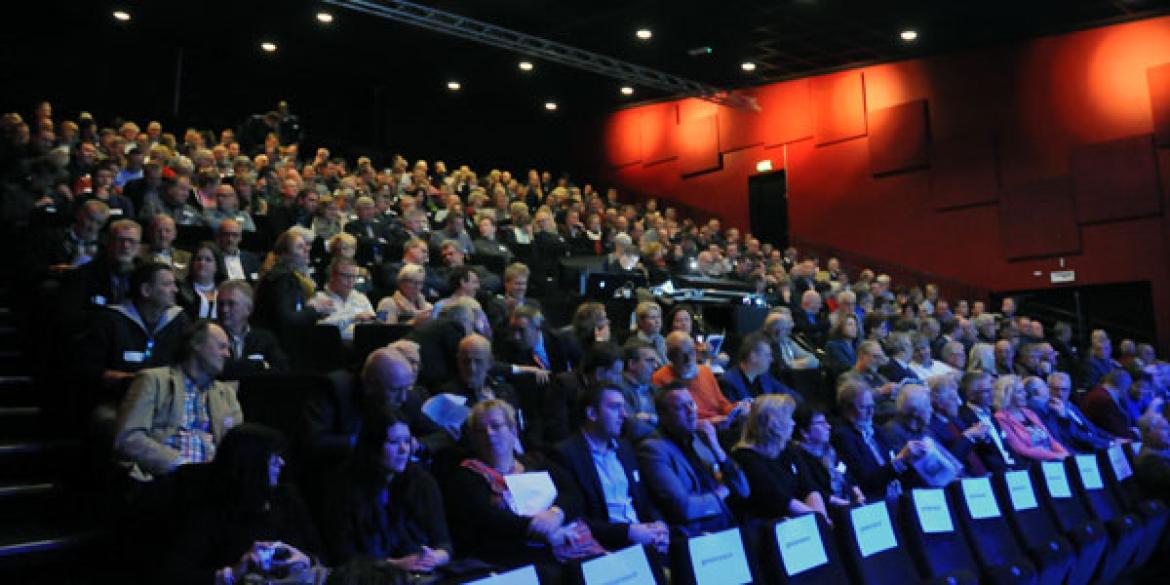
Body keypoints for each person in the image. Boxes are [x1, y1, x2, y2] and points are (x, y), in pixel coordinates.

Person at [445, 400, 600, 580]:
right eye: (480, 430)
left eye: (496, 426)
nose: (489, 434)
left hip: (565, 539)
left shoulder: (536, 461)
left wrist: (555, 515)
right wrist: (542, 531)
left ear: (513, 431)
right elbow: (489, 520)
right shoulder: (467, 475)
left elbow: (573, 495)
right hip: (515, 554)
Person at [164, 424, 322, 585]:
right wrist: (233, 572)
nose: (281, 463)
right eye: (273, 457)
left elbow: (318, 551)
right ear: (252, 463)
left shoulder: (286, 499)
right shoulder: (213, 512)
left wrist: (305, 559)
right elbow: (175, 575)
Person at [323, 407, 453, 572]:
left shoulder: (421, 481)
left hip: (422, 574)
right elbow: (343, 557)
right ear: (373, 447)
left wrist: (433, 558)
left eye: (406, 441)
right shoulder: (343, 487)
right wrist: (396, 564)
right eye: (394, 442)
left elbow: (444, 544)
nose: (404, 450)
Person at [114, 320, 242, 480]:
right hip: (165, 478)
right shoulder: (153, 380)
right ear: (196, 345)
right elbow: (128, 439)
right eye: (221, 347)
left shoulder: (227, 395)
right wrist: (181, 465)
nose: (227, 354)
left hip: (211, 482)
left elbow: (236, 449)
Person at [550, 385, 670, 555]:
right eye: (615, 407)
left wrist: (659, 525)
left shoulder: (625, 448)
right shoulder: (565, 455)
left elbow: (644, 499)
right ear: (592, 414)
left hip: (643, 539)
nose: (624, 415)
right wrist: (628, 532)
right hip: (607, 549)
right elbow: (577, 517)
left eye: (623, 407)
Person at [637, 385, 750, 535]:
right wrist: (722, 492)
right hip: (696, 534)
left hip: (727, 523)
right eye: (680, 408)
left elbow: (743, 489)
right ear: (663, 415)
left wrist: (716, 448)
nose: (691, 412)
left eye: (691, 404)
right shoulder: (653, 449)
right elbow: (685, 508)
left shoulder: (700, 438)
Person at [731, 395, 827, 521]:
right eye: (788, 418)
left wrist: (822, 518)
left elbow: (808, 487)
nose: (793, 423)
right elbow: (778, 499)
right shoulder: (745, 457)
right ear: (773, 424)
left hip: (803, 520)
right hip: (773, 527)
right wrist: (817, 519)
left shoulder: (787, 449)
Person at [830, 377, 920, 500]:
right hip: (874, 500)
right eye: (863, 407)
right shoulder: (842, 436)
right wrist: (900, 460)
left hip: (897, 493)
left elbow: (892, 459)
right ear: (847, 409)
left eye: (872, 406)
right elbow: (866, 481)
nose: (871, 412)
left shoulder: (875, 429)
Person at [652, 331, 748, 428]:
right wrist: (705, 423)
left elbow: (722, 404)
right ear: (670, 357)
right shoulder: (660, 379)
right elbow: (670, 422)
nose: (688, 359)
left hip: (721, 425)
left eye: (691, 351)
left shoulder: (705, 371)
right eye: (681, 354)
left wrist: (738, 409)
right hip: (695, 432)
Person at [252, 229, 332, 339]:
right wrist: (315, 309)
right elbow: (286, 320)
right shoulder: (281, 279)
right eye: (299, 247)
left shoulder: (284, 275)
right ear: (284, 254)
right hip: (276, 342)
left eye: (306, 245)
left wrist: (315, 312)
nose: (307, 249)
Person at [791, 404, 864, 507]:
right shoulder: (799, 457)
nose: (828, 426)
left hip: (848, 503)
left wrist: (858, 495)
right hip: (828, 509)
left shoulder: (830, 450)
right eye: (821, 423)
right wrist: (848, 504)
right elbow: (813, 490)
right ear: (804, 432)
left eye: (826, 422)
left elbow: (846, 474)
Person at [215, 280, 287, 380]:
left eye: (231, 304)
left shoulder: (265, 339)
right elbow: (217, 370)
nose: (224, 309)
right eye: (221, 304)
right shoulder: (209, 336)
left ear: (248, 308)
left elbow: (281, 371)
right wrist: (258, 365)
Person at [991, 375, 1068, 463]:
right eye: (1020, 392)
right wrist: (1055, 456)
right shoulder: (1001, 418)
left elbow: (1051, 441)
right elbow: (1022, 449)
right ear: (1008, 395)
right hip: (1033, 463)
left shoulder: (1029, 413)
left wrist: (1065, 455)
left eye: (1023, 390)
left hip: (1053, 458)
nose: (1025, 394)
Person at [956, 372, 1014, 471]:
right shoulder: (962, 417)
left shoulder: (993, 412)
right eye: (987, 391)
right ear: (971, 395)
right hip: (992, 474)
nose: (992, 394)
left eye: (992, 389)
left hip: (1011, 468)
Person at [718, 331, 798, 403]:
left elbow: (793, 396)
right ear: (754, 357)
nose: (772, 360)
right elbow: (735, 415)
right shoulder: (728, 382)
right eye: (768, 355)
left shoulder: (764, 377)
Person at [313, 257, 376, 342]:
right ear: (332, 276)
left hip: (361, 345)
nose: (351, 281)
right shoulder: (319, 299)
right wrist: (353, 318)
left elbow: (373, 325)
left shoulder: (361, 298)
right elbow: (321, 328)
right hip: (331, 347)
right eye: (346, 276)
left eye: (354, 277)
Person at [618, 340, 661, 443]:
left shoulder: (654, 389)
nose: (655, 366)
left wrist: (651, 418)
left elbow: (672, 419)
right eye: (650, 361)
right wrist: (663, 429)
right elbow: (634, 428)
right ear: (632, 364)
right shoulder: (618, 390)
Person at [1082, 369, 1140, 440]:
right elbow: (1117, 432)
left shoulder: (1097, 393)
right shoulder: (1104, 400)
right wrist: (1135, 434)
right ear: (1124, 387)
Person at [176, 241, 222, 320]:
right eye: (198, 259)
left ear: (216, 266)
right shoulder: (180, 291)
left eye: (208, 260)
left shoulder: (224, 292)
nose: (202, 263)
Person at [1135, 411, 1170, 501]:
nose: (1169, 433)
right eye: (1165, 429)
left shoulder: (1156, 452)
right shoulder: (1150, 462)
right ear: (1149, 432)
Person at [214, 218, 260, 283]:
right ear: (219, 236)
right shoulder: (212, 258)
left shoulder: (251, 258)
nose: (230, 239)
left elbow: (256, 281)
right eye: (226, 235)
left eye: (235, 235)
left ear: (240, 238)